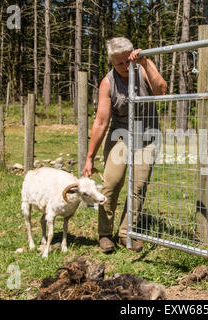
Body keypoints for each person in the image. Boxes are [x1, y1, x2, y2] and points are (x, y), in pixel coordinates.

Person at [83, 37, 167, 253]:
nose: (125, 67)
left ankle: (127, 232)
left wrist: (145, 61)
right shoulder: (108, 82)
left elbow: (161, 91)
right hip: (120, 135)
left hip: (147, 137)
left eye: (127, 61)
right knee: (112, 183)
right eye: (119, 63)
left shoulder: (143, 68)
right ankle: (104, 234)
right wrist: (90, 156)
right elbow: (101, 121)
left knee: (138, 186)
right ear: (112, 62)